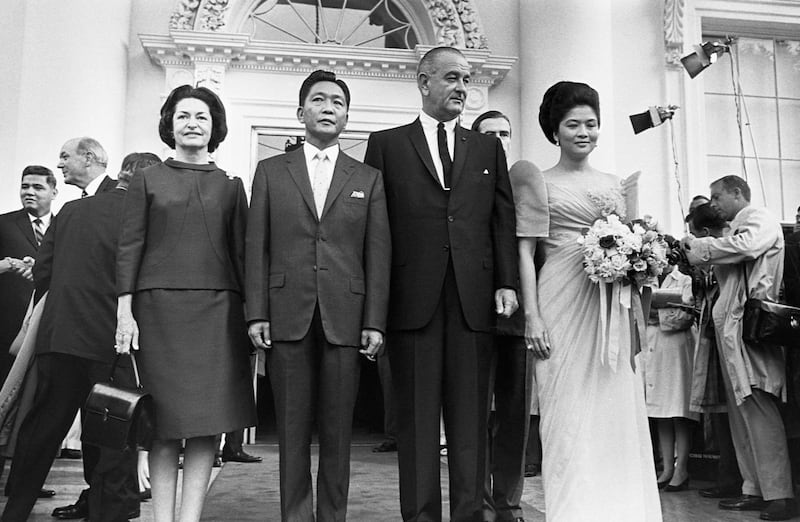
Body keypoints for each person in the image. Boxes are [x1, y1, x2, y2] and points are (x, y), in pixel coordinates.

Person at [364, 46, 519, 521]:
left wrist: (507, 282)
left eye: (466, 79)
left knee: (471, 423)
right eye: (451, 77)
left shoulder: (487, 148)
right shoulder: (386, 144)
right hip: (412, 304)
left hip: (474, 303)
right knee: (416, 426)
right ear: (423, 81)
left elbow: (501, 219)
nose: (461, 87)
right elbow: (376, 228)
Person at [246, 69, 390, 521]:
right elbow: (257, 246)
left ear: (347, 116)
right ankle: (294, 515)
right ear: (301, 111)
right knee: (291, 429)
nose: (328, 108)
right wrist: (256, 313)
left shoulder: (368, 177)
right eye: (319, 100)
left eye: (338, 103)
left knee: (337, 431)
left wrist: (374, 320)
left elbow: (377, 253)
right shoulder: (271, 171)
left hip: (345, 318)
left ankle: (332, 516)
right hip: (286, 314)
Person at [518, 81, 662, 520]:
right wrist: (532, 317)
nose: (585, 132)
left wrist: (638, 258)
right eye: (573, 124)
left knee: (613, 410)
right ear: (555, 130)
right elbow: (525, 250)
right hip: (559, 297)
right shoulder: (536, 181)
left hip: (611, 306)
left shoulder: (617, 184)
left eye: (592, 124)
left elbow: (637, 246)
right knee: (565, 412)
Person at [115, 85, 256, 522]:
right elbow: (129, 247)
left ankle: (189, 518)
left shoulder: (232, 187)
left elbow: (242, 256)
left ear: (214, 127)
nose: (192, 123)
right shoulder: (147, 179)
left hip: (217, 315)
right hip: (157, 314)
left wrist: (252, 318)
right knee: (163, 424)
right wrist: (125, 310)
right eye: (182, 116)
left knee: (205, 423)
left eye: (201, 117)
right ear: (169, 125)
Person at [1, 141, 148, 522]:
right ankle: (106, 511)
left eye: (66, 156)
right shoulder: (133, 208)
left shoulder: (70, 210)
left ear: (90, 158)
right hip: (108, 338)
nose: (60, 163)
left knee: (42, 428)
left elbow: (44, 273)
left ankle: (16, 507)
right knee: (107, 430)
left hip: (62, 335)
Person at [682, 175, 796, 520]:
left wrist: (701, 248)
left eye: (717, 196)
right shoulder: (733, 229)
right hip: (730, 331)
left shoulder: (758, 219)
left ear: (737, 193)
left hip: (750, 330)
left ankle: (780, 494)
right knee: (740, 414)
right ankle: (753, 488)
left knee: (759, 409)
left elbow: (745, 248)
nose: (713, 203)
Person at [472, 109, 539, 522]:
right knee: (474, 416)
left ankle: (509, 504)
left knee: (515, 415)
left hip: (519, 322)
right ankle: (477, 502)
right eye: (490, 133)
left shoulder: (529, 186)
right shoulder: (466, 186)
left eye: (505, 133)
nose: (499, 139)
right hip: (475, 317)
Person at [686, 203, 743, 499]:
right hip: (715, 342)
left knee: (733, 414)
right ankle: (728, 476)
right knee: (721, 414)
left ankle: (737, 480)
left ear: (705, 234)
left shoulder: (728, 254)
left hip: (732, 342)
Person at [640, 261, 699, 491]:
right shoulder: (645, 280)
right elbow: (639, 310)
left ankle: (682, 468)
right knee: (660, 412)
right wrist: (657, 314)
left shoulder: (683, 280)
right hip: (654, 346)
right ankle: (666, 468)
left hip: (676, 349)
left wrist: (657, 315)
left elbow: (685, 315)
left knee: (678, 410)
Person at [0, 166, 58, 383]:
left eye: (37, 187)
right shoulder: (3, 224)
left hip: (46, 325)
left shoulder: (64, 226)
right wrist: (7, 265)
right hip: (6, 328)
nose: (29, 192)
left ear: (54, 192)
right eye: (25, 186)